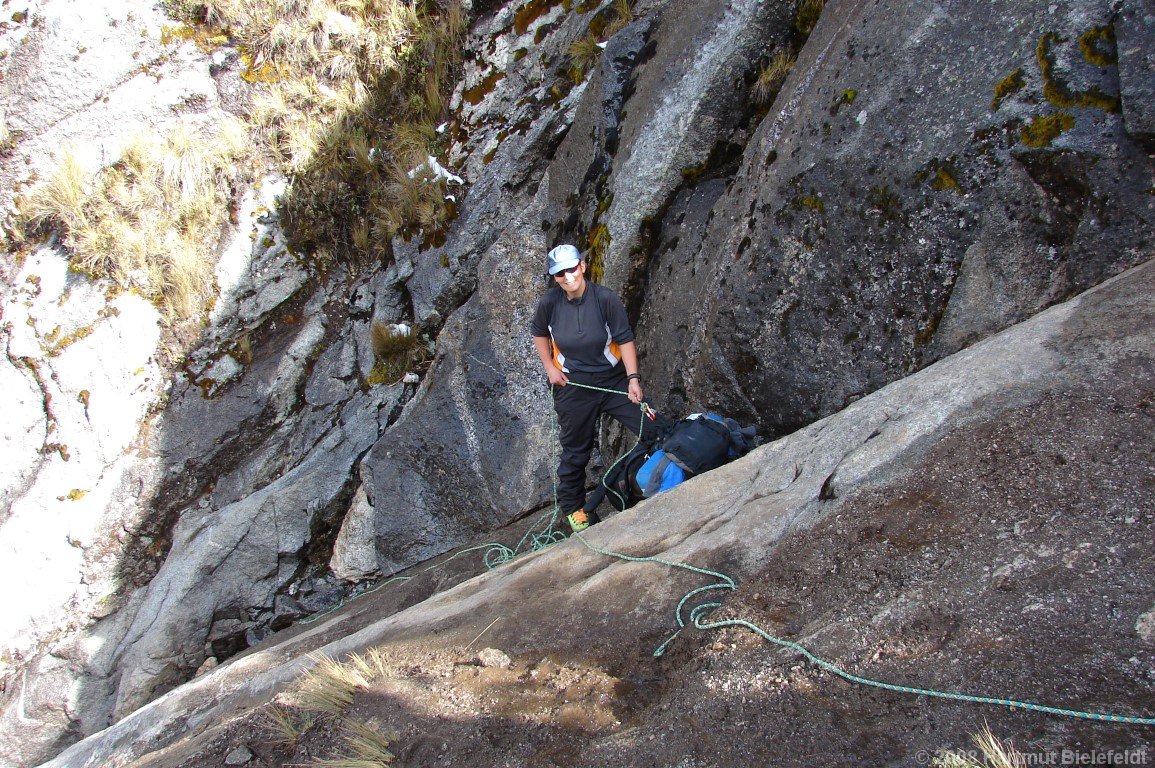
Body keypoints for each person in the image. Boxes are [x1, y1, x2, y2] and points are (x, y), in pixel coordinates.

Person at [530, 244, 666, 532]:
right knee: (575, 452)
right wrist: (550, 368)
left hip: (613, 380)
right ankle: (575, 512)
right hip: (573, 386)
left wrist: (633, 379)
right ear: (554, 277)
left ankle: (661, 480)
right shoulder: (550, 303)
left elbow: (625, 339)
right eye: (559, 273)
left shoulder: (605, 299)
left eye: (571, 269)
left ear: (582, 265)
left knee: (654, 429)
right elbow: (539, 333)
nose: (567, 277)